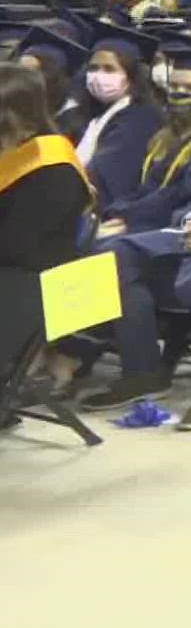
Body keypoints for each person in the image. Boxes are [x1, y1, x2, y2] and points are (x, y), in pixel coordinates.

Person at [74, 48, 191, 413]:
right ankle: (140, 369)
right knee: (109, 255)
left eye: (189, 87)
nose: (178, 95)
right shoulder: (165, 138)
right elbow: (182, 196)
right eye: (173, 87)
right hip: (182, 229)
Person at [0, 63, 94, 402]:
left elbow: (14, 245)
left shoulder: (52, 168)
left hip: (28, 284)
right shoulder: (10, 149)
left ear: (21, 119)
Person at [66, 24, 164, 208]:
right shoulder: (88, 114)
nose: (97, 76)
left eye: (109, 69)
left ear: (132, 76)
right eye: (93, 68)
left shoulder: (141, 117)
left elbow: (105, 177)